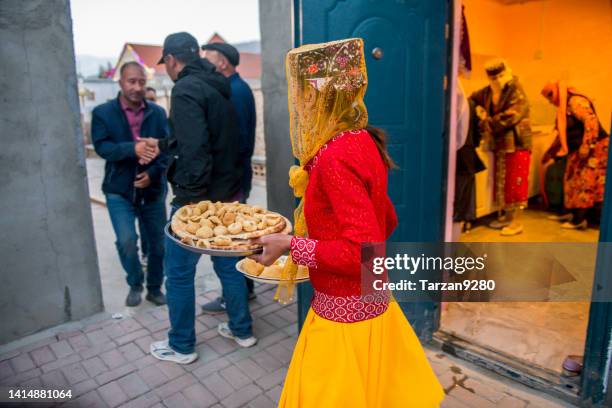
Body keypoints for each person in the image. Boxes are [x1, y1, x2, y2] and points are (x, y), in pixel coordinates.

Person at [252, 38, 444, 407]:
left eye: (301, 94)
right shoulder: (363, 140)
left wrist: (291, 246)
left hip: (344, 312)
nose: (298, 105)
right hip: (373, 297)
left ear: (318, 97)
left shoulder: (333, 156)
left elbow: (361, 249)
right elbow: (386, 218)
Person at [146, 32, 256, 365]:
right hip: (226, 193)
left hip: (199, 199)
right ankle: (241, 330)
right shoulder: (219, 87)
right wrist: (164, 146)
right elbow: (209, 140)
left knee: (178, 274)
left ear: (171, 60)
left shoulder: (185, 89)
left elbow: (195, 150)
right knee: (228, 265)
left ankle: (181, 346)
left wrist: (189, 206)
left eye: (165, 62)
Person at [91, 62, 168, 307]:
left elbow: (166, 152)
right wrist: (132, 149)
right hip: (119, 191)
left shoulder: (157, 113)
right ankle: (135, 283)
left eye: (141, 82)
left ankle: (155, 288)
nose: (136, 87)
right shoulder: (103, 113)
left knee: (158, 244)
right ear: (120, 82)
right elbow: (102, 148)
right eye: (131, 81)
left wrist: (153, 174)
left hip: (152, 191)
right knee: (126, 241)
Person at [200, 42, 257, 314]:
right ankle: (244, 290)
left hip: (231, 181)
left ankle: (234, 299)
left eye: (208, 59)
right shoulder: (237, 88)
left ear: (222, 62)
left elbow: (239, 141)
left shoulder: (233, 91)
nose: (204, 65)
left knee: (231, 243)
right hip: (236, 177)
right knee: (240, 240)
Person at [470, 59, 532, 236]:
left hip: (517, 144)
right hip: (500, 144)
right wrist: (476, 111)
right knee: (504, 183)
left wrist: (486, 122)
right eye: (493, 77)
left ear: (506, 73)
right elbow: (472, 99)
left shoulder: (515, 88)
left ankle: (516, 222)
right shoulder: (489, 91)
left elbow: (513, 115)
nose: (497, 80)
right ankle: (506, 217)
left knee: (516, 182)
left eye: (499, 76)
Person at [541, 81, 609, 229]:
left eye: (549, 96)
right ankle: (571, 213)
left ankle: (580, 220)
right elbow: (562, 134)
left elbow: (591, 121)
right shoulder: (563, 108)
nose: (550, 101)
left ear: (556, 91)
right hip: (577, 149)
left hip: (594, 148)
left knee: (584, 184)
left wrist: (587, 145)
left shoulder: (575, 101)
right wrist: (550, 153)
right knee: (571, 181)